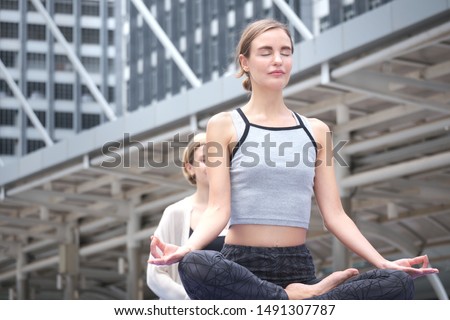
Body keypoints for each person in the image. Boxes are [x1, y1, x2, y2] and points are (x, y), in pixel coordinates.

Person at [149, 19, 438, 300]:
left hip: (299, 267)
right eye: (266, 52)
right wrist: (186, 249)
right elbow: (218, 209)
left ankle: (295, 298)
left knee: (397, 282)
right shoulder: (224, 125)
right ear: (245, 62)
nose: (278, 60)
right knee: (195, 265)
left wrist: (383, 262)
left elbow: (335, 216)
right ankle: (290, 299)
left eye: (285, 52)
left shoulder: (316, 131)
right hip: (241, 267)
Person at [146, 132, 227, 299]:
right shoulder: (176, 213)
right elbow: (155, 275)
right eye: (205, 160)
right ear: (190, 168)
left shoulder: (239, 213)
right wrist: (188, 301)